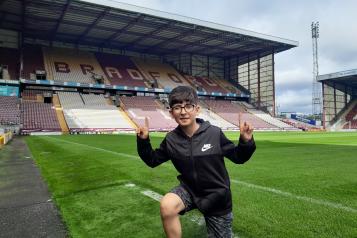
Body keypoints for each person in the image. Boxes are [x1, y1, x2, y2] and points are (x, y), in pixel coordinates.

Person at [136, 86, 256, 238]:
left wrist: (246, 141)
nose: (183, 111)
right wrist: (143, 141)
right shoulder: (171, 139)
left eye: (188, 105)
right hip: (190, 190)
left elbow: (239, 157)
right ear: (171, 113)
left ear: (197, 109)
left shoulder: (214, 133)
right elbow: (152, 160)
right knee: (167, 205)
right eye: (177, 107)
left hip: (217, 196)